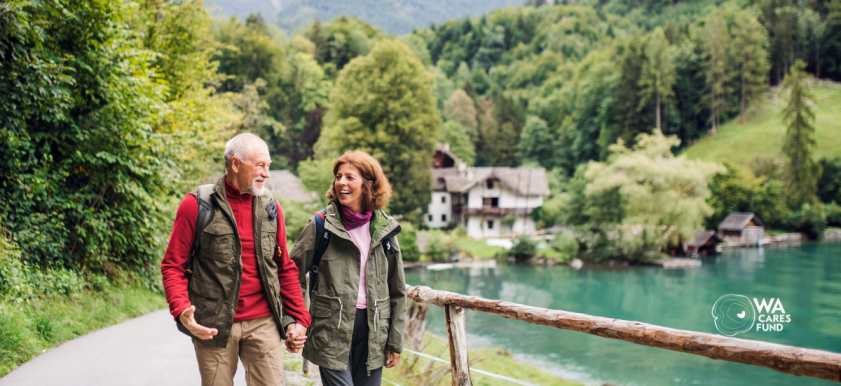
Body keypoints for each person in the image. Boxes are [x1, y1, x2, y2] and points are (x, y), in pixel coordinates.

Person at [161, 133, 310, 386]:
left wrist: (299, 318)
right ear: (236, 164)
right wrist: (181, 309)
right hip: (214, 324)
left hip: (264, 321)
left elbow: (284, 267)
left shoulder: (271, 206)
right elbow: (172, 265)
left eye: (269, 165)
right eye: (260, 165)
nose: (267, 173)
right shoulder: (196, 204)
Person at [290, 150, 407, 386]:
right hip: (331, 328)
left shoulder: (385, 228)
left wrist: (394, 341)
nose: (341, 182)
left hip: (374, 330)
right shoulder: (321, 224)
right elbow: (291, 272)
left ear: (368, 184)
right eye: (338, 176)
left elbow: (397, 289)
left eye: (350, 177)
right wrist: (297, 318)